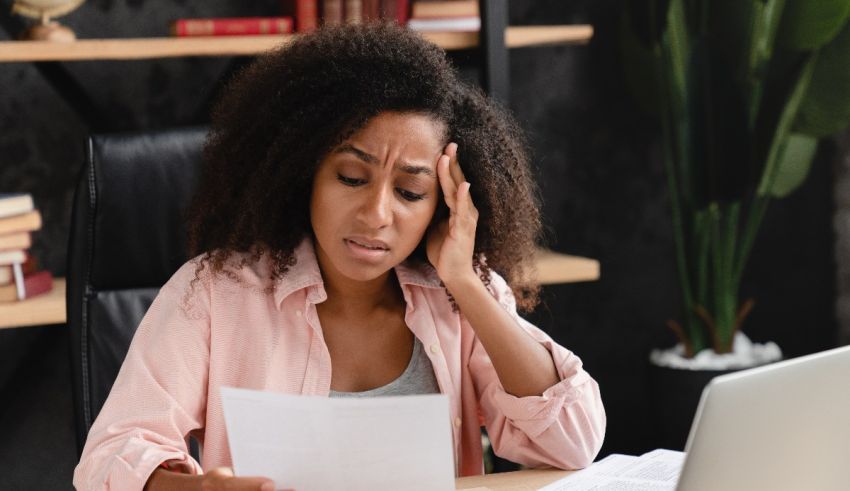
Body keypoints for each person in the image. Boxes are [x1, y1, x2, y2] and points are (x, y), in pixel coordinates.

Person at [73, 22, 605, 491]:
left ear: (443, 203)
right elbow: (109, 456)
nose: (376, 214)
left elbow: (570, 443)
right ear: (304, 171)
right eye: (352, 178)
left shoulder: (460, 295)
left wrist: (468, 287)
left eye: (410, 193)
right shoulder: (214, 292)